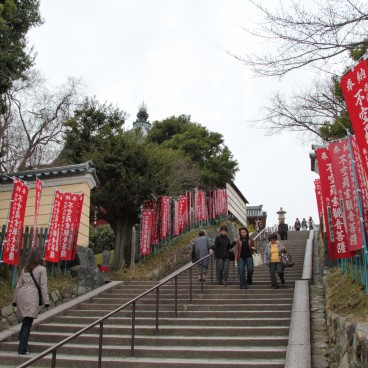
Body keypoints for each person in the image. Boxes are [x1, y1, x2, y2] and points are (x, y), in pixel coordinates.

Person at [13, 251, 50, 355]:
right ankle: (23, 349)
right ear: (39, 259)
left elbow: (18, 284)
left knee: (26, 322)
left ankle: (22, 347)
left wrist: (14, 300)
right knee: (27, 323)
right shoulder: (42, 269)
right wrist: (46, 301)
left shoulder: (25, 269)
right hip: (31, 295)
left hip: (21, 295)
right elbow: (43, 286)